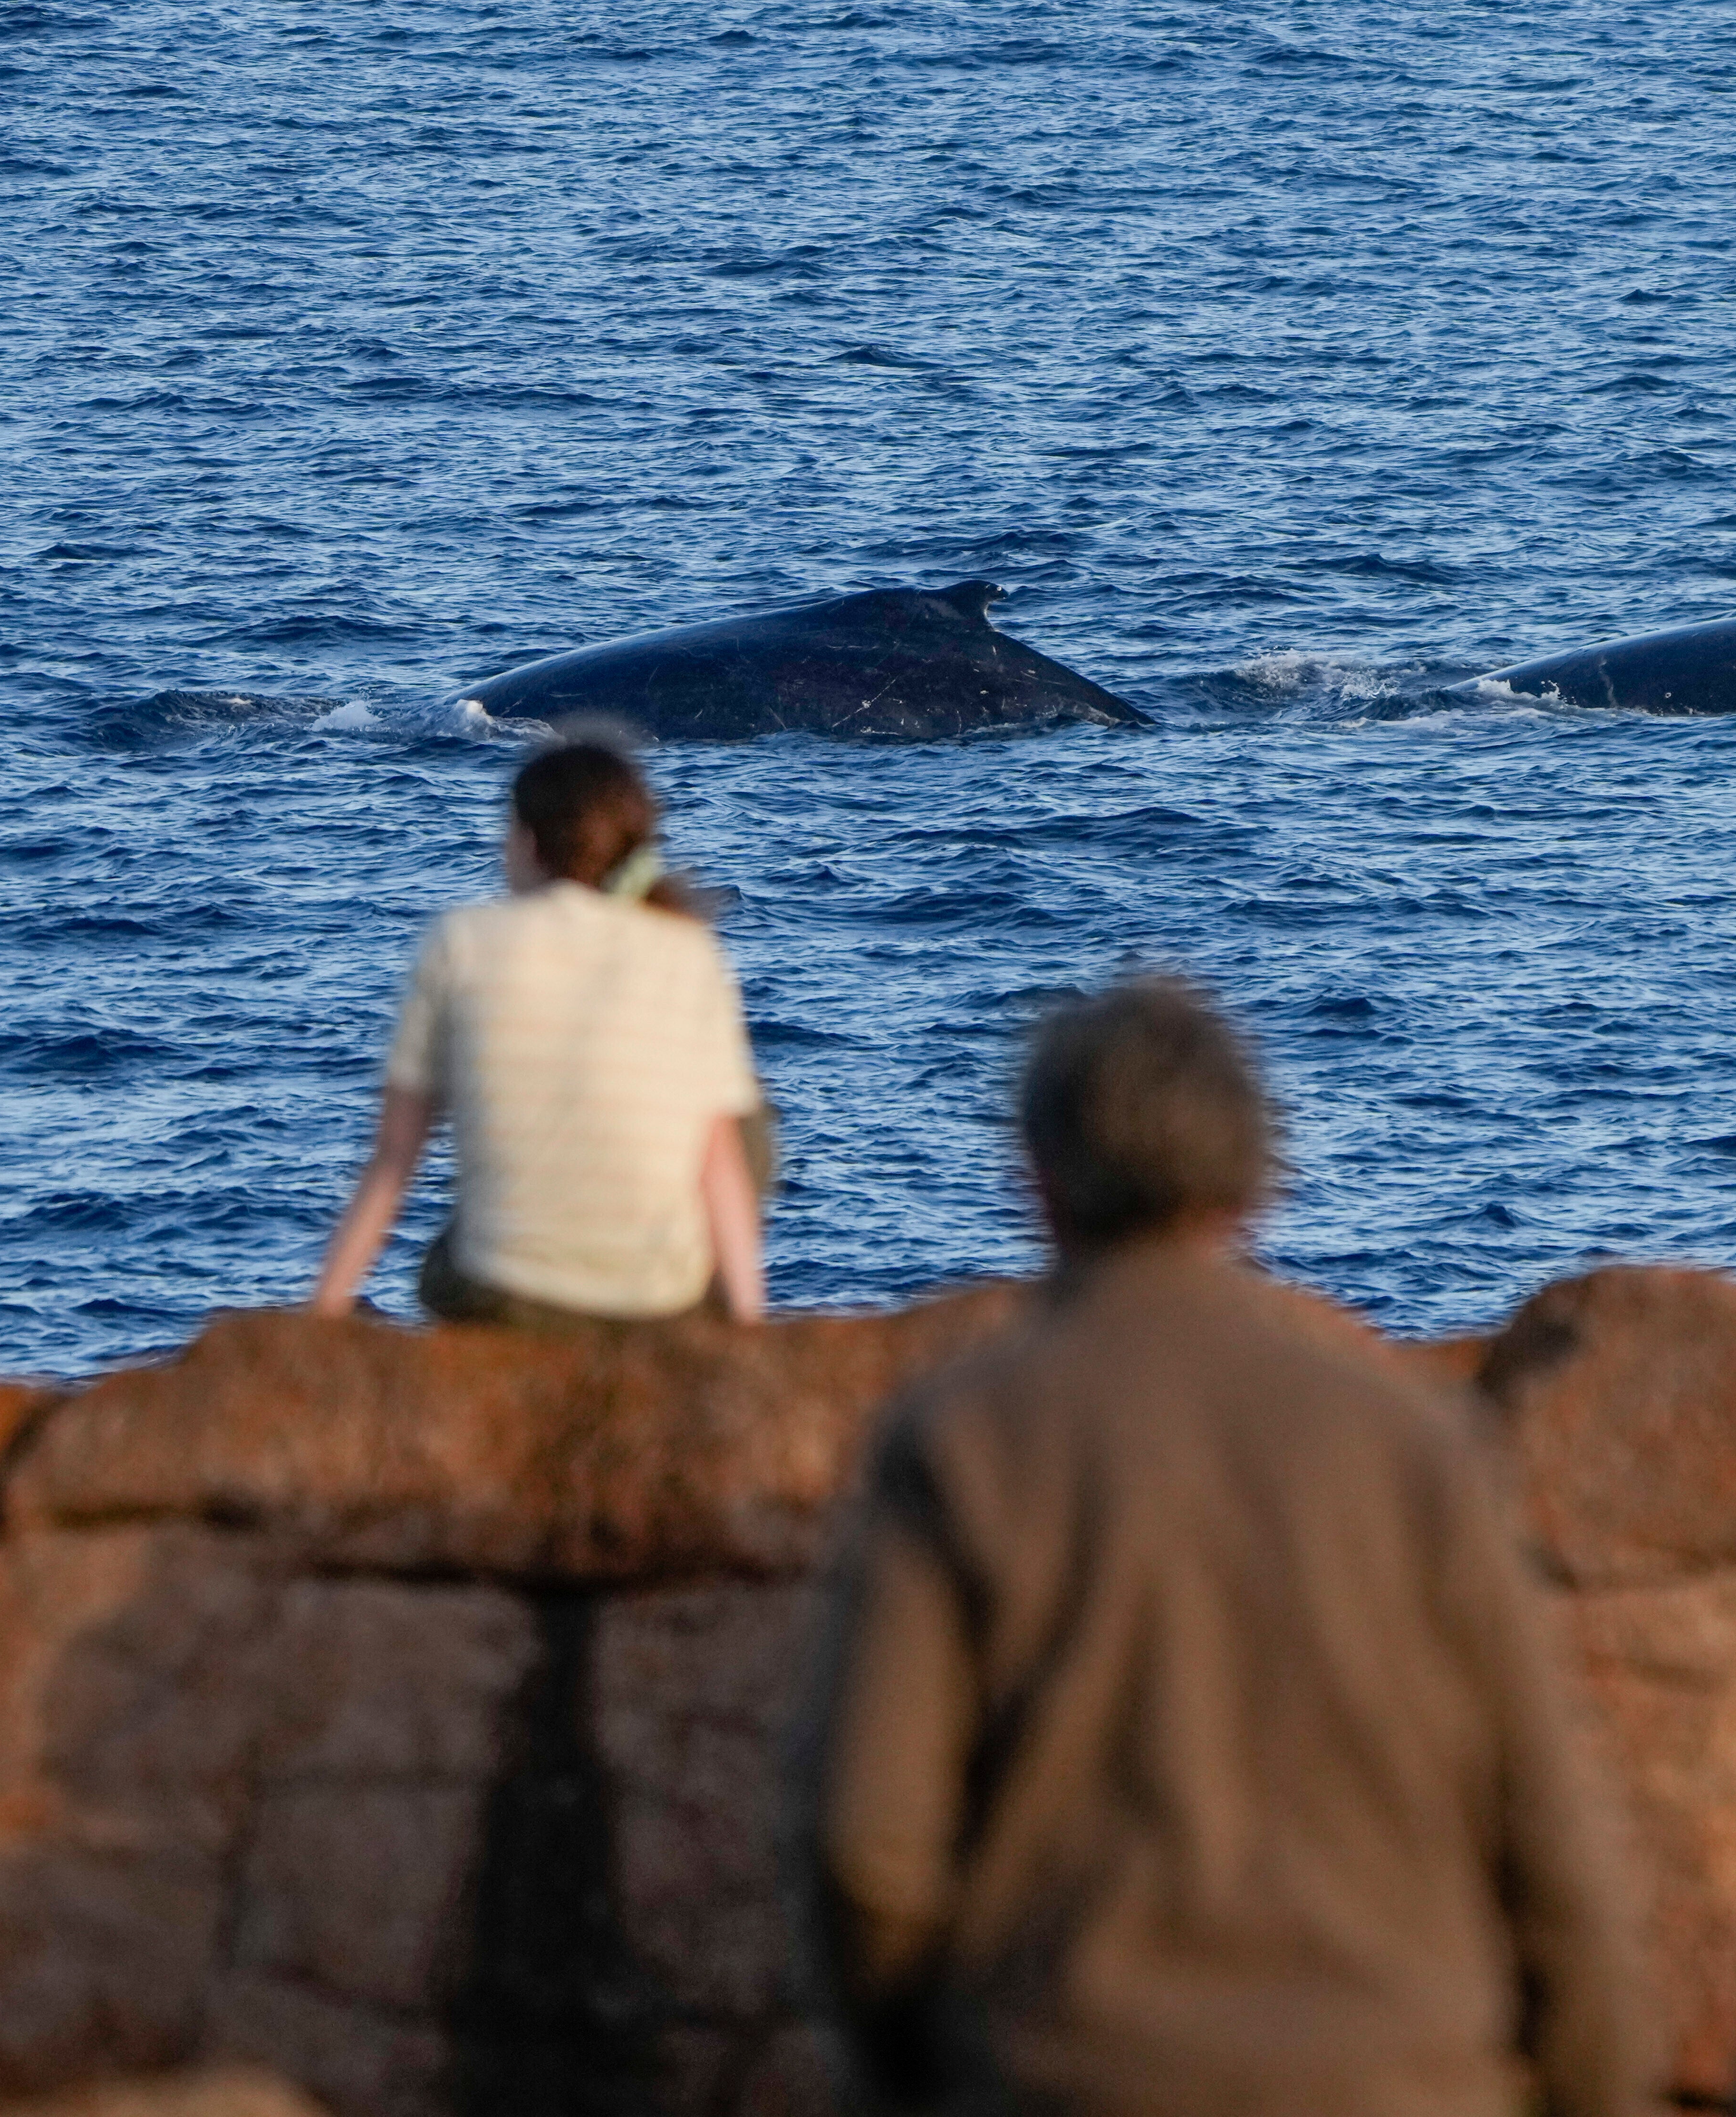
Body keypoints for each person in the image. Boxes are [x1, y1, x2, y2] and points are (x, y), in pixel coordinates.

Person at [799, 973, 1651, 2117]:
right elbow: (1552, 1853)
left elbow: (867, 1849)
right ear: (1254, 1186)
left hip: (1076, 2074)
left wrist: (934, 2069)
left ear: (1038, 1184)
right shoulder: (1412, 1447)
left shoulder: (962, 1440)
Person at [309, 741, 767, 1329]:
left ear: (526, 841)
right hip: (656, 1296)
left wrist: (320, 1315)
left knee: (459, 1242)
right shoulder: (688, 952)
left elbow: (396, 1157)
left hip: (505, 1292)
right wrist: (750, 1327)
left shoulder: (462, 941)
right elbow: (718, 1159)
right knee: (744, 1119)